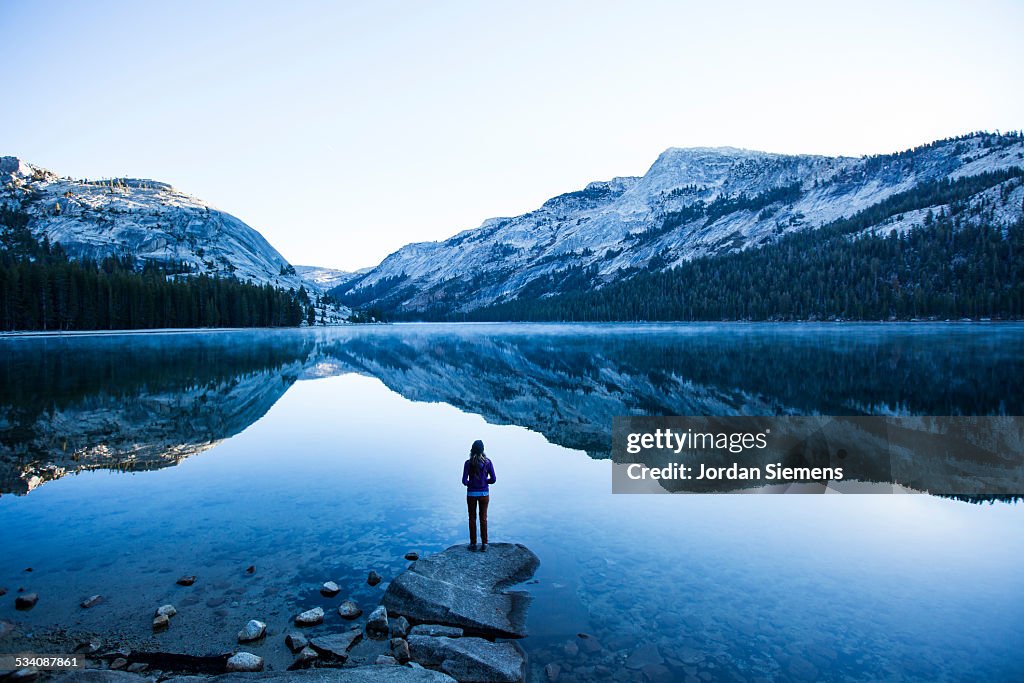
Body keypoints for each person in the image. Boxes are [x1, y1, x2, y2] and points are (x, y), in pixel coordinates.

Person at [462, 439, 496, 551]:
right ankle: (485, 544)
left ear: (472, 450)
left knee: (472, 518)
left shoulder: (468, 463)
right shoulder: (488, 462)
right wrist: (485, 481)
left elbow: (464, 481)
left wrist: (471, 483)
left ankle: (473, 544)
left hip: (471, 494)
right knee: (483, 518)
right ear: (483, 450)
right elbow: (493, 479)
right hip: (484, 494)